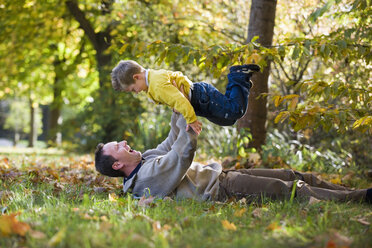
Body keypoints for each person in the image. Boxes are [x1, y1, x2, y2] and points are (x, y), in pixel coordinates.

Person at [95, 113, 372, 204]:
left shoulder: (144, 159)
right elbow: (180, 155)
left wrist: (178, 108)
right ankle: (359, 198)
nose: (123, 142)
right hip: (221, 189)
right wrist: (191, 129)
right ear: (118, 165)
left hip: (223, 176)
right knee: (288, 190)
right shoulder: (145, 178)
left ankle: (351, 192)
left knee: (291, 175)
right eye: (117, 146)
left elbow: (169, 142)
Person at [111, 60, 260, 135]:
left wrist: (191, 120)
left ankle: (238, 76)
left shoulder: (156, 85)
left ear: (136, 77)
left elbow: (180, 99)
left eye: (132, 89)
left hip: (200, 97)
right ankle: (239, 86)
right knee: (227, 119)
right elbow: (174, 97)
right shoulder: (151, 81)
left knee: (235, 111)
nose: (135, 92)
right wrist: (175, 108)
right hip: (199, 99)